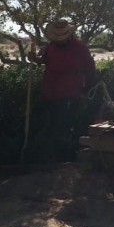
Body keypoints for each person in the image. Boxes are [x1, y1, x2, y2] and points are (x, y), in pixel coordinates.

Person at [28, 19, 96, 162]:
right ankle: (40, 155)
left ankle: (62, 159)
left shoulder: (80, 48)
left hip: (70, 94)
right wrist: (35, 59)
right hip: (49, 92)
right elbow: (43, 61)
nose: (59, 41)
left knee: (63, 127)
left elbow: (90, 70)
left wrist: (85, 91)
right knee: (43, 122)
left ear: (69, 35)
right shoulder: (50, 46)